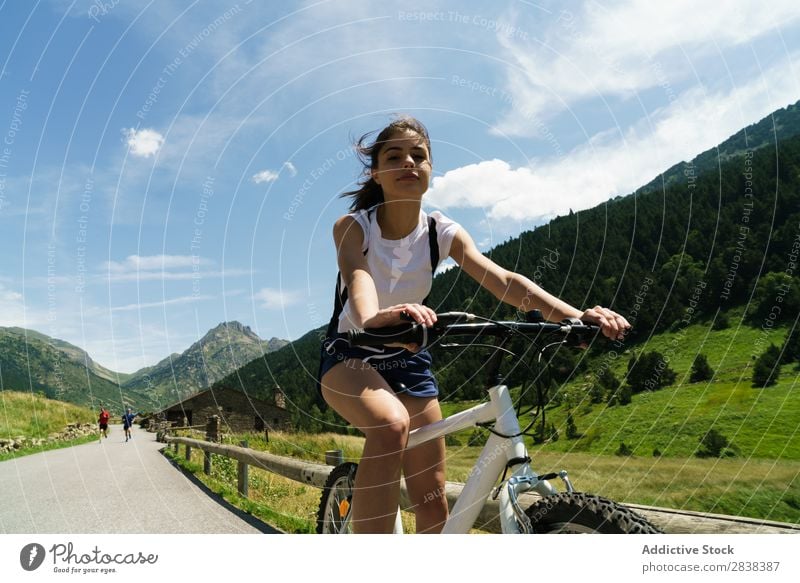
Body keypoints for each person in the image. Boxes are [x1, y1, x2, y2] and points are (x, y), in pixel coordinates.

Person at [318, 116, 630, 534]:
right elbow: (359, 278)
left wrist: (576, 316)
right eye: (394, 156)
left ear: (430, 169)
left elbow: (503, 281)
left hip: (409, 359)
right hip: (350, 355)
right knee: (391, 426)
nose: (408, 162)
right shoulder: (353, 227)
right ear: (376, 172)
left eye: (419, 155)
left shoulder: (439, 231)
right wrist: (375, 318)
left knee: (433, 508)